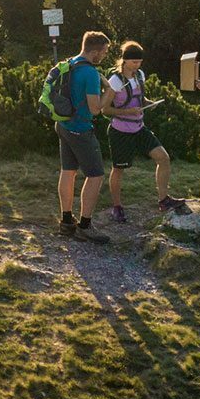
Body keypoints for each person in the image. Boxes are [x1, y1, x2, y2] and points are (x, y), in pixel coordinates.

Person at [104, 40, 190, 220]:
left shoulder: (140, 75)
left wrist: (149, 104)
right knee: (119, 169)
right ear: (125, 61)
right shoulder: (115, 81)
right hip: (120, 131)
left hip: (139, 128)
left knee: (163, 158)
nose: (137, 65)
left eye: (139, 62)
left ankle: (163, 200)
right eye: (134, 62)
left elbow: (140, 99)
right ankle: (117, 207)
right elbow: (104, 110)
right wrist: (127, 111)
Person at [56, 31, 116, 243]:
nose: (105, 55)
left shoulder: (69, 63)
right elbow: (95, 109)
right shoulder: (90, 73)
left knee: (68, 171)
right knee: (96, 175)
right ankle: (85, 225)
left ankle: (65, 221)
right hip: (80, 128)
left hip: (63, 124)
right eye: (105, 52)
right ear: (96, 51)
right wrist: (109, 90)